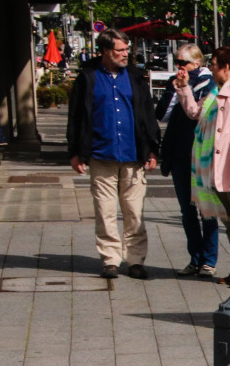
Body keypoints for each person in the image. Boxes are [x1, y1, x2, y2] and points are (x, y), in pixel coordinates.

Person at [66, 28, 161, 280]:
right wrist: (75, 152)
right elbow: (76, 115)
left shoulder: (136, 76)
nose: (125, 55)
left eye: (127, 50)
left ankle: (135, 260)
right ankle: (110, 259)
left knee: (134, 211)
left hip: (133, 154)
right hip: (101, 154)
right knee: (105, 210)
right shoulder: (89, 77)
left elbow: (147, 114)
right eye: (120, 50)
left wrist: (152, 148)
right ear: (106, 51)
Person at [175, 46, 230, 288]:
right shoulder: (216, 92)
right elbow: (194, 113)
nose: (210, 67)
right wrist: (183, 88)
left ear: (225, 65)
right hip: (219, 169)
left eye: (213, 63)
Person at [155, 44, 218, 278]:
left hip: (202, 155)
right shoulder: (176, 82)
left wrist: (186, 87)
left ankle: (208, 261)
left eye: (184, 63)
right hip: (180, 153)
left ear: (197, 64)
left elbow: (197, 114)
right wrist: (175, 89)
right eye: (177, 63)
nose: (179, 68)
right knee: (187, 211)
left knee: (207, 210)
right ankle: (195, 258)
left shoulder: (209, 85)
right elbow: (162, 114)